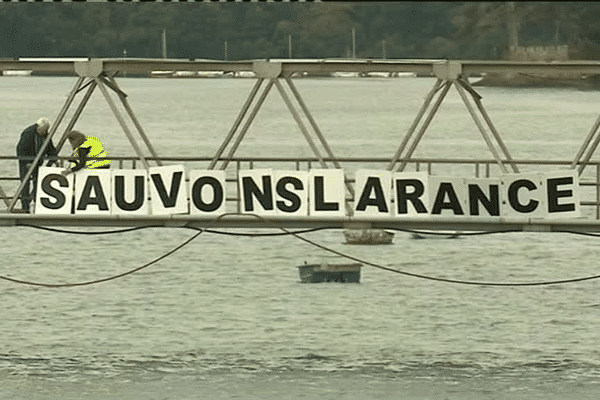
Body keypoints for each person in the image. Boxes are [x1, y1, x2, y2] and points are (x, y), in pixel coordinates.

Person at [16, 117, 58, 212]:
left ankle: (37, 203)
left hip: (38, 162)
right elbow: (20, 149)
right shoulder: (28, 133)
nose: (43, 132)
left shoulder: (45, 134)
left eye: (45, 131)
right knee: (25, 184)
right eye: (42, 130)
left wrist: (54, 157)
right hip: (26, 162)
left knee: (38, 182)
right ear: (37, 127)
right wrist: (27, 162)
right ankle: (25, 207)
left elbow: (50, 147)